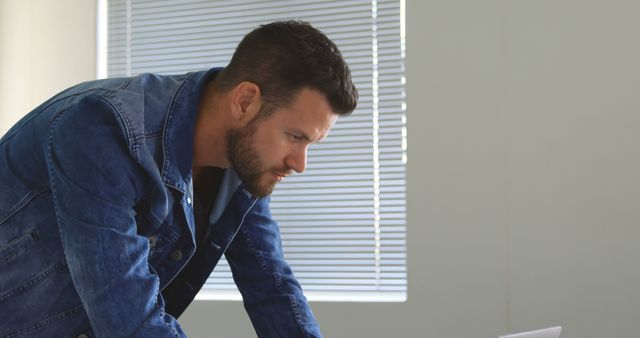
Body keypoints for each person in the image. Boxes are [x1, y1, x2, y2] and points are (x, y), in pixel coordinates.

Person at [0, 20, 357, 337]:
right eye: (296, 137)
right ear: (245, 100)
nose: (300, 163)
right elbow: (126, 315)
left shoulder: (242, 165)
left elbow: (272, 287)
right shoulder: (104, 128)